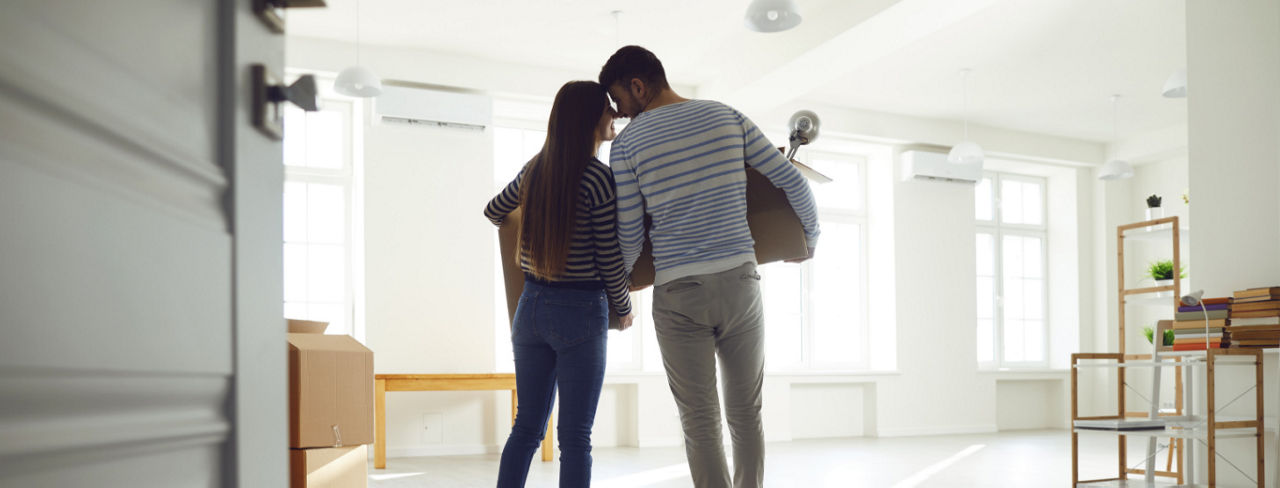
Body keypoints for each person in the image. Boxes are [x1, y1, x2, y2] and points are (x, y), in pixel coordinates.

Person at [599, 46, 820, 488]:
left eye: (619, 101)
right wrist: (807, 241)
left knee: (699, 422)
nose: (619, 115)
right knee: (746, 413)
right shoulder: (726, 115)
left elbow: (627, 234)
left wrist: (617, 295)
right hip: (740, 283)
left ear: (638, 86)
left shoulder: (626, 147)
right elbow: (792, 179)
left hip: (679, 293)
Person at [484, 80, 636, 488]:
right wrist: (623, 308)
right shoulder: (598, 179)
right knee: (575, 439)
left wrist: (534, 229)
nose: (615, 114)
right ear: (590, 117)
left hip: (530, 308)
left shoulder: (535, 170)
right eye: (609, 108)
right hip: (581, 314)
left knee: (526, 429)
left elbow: (495, 211)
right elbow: (608, 257)